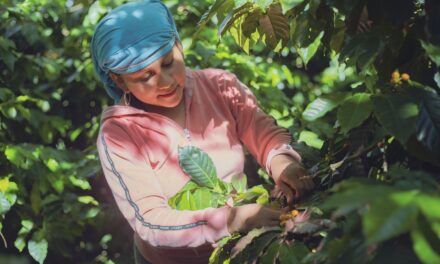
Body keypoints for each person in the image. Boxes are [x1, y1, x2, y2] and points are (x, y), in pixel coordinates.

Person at [91, 1, 314, 263]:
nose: (164, 82)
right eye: (145, 76)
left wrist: (282, 162)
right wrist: (230, 220)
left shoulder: (220, 87)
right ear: (119, 80)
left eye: (168, 63)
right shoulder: (119, 134)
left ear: (179, 46)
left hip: (239, 247)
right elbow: (150, 221)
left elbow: (263, 131)